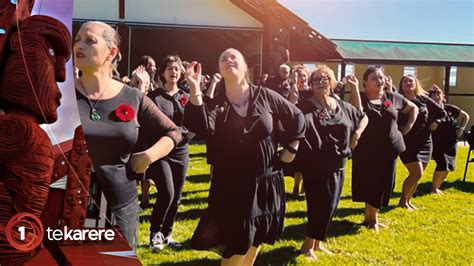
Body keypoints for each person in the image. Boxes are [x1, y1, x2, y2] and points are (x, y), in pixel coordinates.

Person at [184, 48, 305, 265]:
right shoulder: (216, 102)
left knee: (255, 236)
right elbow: (200, 127)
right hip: (232, 186)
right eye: (223, 58)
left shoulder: (265, 95)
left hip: (266, 182)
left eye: (234, 57)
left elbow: (296, 116)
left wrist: (292, 148)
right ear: (219, 69)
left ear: (245, 67)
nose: (228, 60)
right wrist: (195, 91)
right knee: (235, 243)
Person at [73, 21, 182, 251]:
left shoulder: (133, 97)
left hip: (120, 208)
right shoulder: (60, 94)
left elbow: (173, 133)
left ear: (111, 52)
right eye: (77, 39)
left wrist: (148, 156)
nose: (79, 45)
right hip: (68, 208)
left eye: (90, 40)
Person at [296, 66, 368, 260]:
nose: (321, 82)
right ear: (311, 85)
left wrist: (357, 134)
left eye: (325, 78)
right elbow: (293, 123)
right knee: (319, 205)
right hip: (315, 165)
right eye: (317, 79)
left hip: (339, 163)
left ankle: (317, 244)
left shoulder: (340, 105)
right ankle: (307, 246)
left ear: (332, 82)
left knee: (331, 205)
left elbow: (363, 116)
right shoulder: (305, 106)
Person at [351, 67, 418, 232]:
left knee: (383, 183)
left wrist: (406, 127)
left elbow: (412, 108)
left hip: (389, 150)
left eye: (381, 77)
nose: (380, 81)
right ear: (365, 83)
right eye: (375, 78)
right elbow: (356, 112)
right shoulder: (360, 98)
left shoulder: (391, 97)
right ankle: (371, 219)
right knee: (369, 183)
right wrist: (353, 88)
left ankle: (371, 218)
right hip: (367, 150)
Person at [146, 55, 190, 251]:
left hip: (181, 150)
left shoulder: (184, 96)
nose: (174, 72)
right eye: (170, 68)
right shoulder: (154, 97)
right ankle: (155, 233)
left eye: (177, 69)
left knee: (177, 196)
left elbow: (196, 120)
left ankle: (167, 234)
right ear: (163, 72)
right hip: (161, 149)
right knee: (167, 193)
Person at [397, 75, 445, 210]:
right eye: (405, 81)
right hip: (407, 143)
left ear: (416, 84)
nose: (408, 83)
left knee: (418, 176)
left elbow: (442, 112)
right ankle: (402, 201)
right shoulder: (398, 100)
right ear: (401, 86)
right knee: (416, 173)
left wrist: (436, 122)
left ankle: (407, 201)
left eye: (410, 80)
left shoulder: (424, 99)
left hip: (425, 142)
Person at [428, 85, 470, 193]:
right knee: (442, 164)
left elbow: (465, 116)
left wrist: (461, 128)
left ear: (443, 97)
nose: (437, 97)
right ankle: (433, 189)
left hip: (451, 141)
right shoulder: (429, 110)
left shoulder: (449, 108)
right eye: (433, 95)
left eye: (439, 94)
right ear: (430, 98)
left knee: (449, 166)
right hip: (437, 141)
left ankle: (437, 187)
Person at [286, 65, 312, 195]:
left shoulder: (313, 92)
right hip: (298, 128)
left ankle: (305, 187)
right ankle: (296, 185)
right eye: (299, 76)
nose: (302, 78)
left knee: (309, 160)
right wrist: (294, 88)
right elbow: (291, 107)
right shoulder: (293, 91)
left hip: (312, 129)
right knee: (299, 159)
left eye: (304, 76)